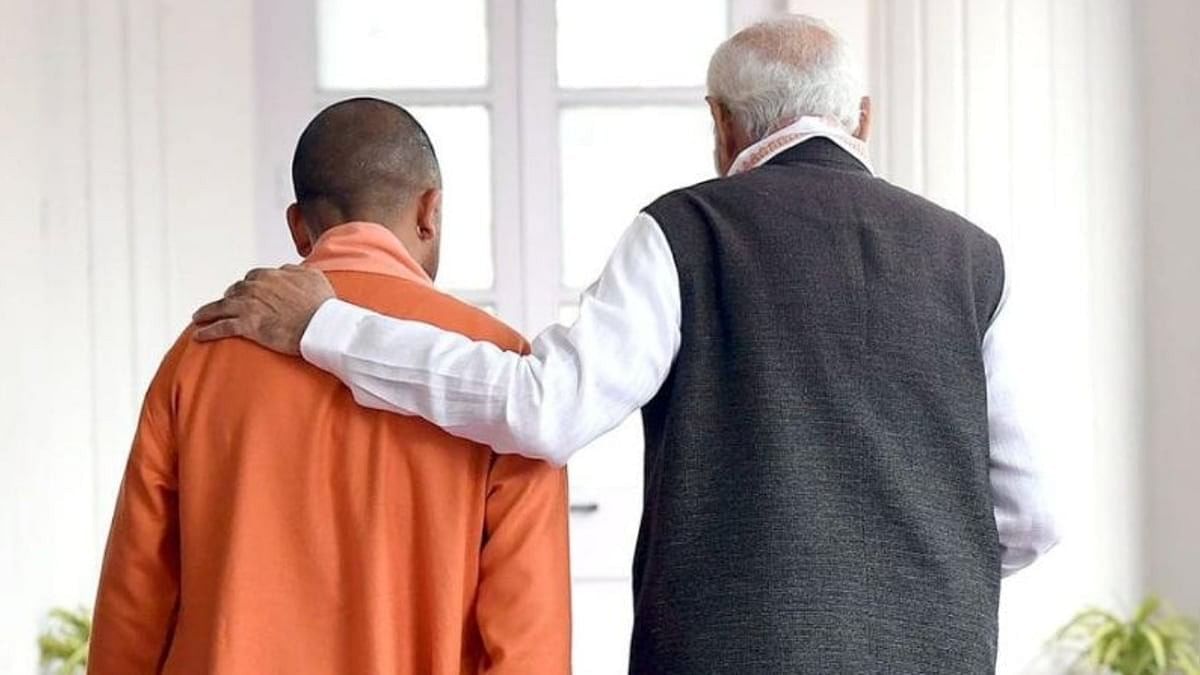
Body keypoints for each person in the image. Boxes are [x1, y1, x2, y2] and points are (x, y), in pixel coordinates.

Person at [194, 16, 1059, 674]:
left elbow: (544, 407)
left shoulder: (688, 230)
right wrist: (901, 588)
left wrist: (326, 325)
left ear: (719, 123)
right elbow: (1028, 519)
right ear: (860, 118)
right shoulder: (974, 258)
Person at [89, 98, 571, 675]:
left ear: (299, 226)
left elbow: (134, 602)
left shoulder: (203, 353)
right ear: (429, 212)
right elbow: (529, 646)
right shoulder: (501, 373)